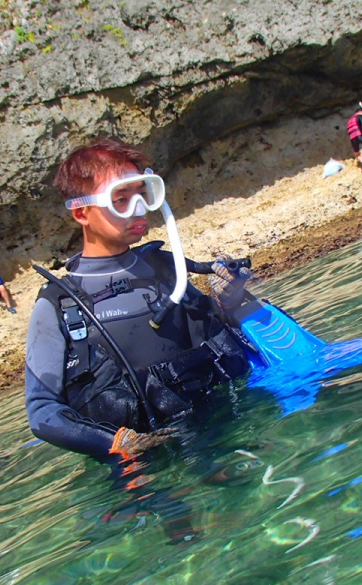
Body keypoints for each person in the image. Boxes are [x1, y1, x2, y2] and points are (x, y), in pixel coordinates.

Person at [24, 139, 252, 463]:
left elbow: (219, 333)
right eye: (121, 199)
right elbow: (42, 412)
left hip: (224, 436)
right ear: (81, 212)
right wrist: (117, 443)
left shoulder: (165, 271)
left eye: (141, 195)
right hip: (144, 470)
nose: (139, 209)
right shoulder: (59, 305)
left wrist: (230, 301)